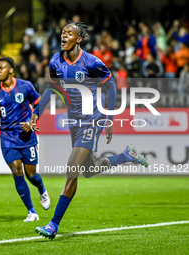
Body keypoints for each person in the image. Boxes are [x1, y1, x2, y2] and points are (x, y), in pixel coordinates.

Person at [31, 22, 149, 239]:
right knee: (88, 170)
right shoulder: (56, 61)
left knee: (71, 169)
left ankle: (53, 225)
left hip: (92, 118)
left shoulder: (92, 62)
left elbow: (110, 85)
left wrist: (109, 118)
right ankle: (126, 155)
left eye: (69, 33)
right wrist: (38, 110)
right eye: (62, 32)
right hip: (74, 120)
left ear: (79, 39)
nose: (63, 36)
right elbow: (52, 87)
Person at [0, 57, 50, 222]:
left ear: (10, 70)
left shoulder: (25, 86)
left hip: (26, 136)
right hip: (7, 137)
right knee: (16, 170)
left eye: (1, 68)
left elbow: (40, 104)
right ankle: (31, 212)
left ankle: (41, 188)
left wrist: (32, 122)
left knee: (31, 175)